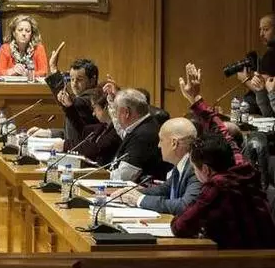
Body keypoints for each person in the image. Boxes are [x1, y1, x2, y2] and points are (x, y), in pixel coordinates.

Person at [171, 63, 275, 250]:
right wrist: (195, 98)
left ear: (205, 169)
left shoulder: (217, 185)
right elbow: (223, 131)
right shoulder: (243, 168)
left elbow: (180, 226)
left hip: (247, 262)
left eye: (194, 168)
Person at [115, 117, 201, 215]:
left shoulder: (195, 168)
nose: (159, 145)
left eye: (161, 140)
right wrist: (133, 193)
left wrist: (140, 199)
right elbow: (164, 189)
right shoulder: (182, 164)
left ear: (174, 143)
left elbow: (185, 206)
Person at [107, 88, 171, 181]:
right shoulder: (141, 125)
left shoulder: (143, 135)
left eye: (116, 111)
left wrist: (98, 177)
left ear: (126, 113)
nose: (116, 116)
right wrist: (111, 101)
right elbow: (121, 130)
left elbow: (124, 177)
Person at [30, 57, 100, 141]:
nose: (74, 84)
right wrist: (48, 132)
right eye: (72, 79)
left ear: (92, 80)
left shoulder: (93, 97)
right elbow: (74, 132)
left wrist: (54, 69)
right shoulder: (79, 99)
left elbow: (71, 102)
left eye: (79, 79)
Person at [59, 89, 121, 166]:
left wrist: (65, 145)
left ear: (106, 108)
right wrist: (69, 107)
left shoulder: (117, 131)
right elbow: (82, 130)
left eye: (94, 108)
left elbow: (96, 148)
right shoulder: (103, 126)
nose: (93, 113)